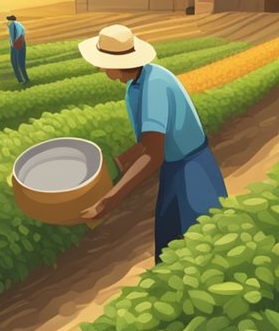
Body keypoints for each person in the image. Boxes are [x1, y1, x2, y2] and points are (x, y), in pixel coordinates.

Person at [77, 25, 227, 263]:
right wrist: (119, 163)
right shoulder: (135, 84)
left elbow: (153, 154)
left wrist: (108, 201)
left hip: (193, 171)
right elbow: (149, 140)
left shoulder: (154, 85)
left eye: (102, 62)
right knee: (170, 249)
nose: (99, 67)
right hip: (173, 167)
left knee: (203, 246)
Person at [8, 14, 29, 84]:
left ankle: (20, 80)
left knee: (14, 62)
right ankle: (26, 79)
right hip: (22, 42)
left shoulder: (12, 25)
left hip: (16, 44)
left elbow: (12, 36)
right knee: (21, 63)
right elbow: (24, 32)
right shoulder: (20, 24)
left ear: (11, 20)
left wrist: (13, 45)